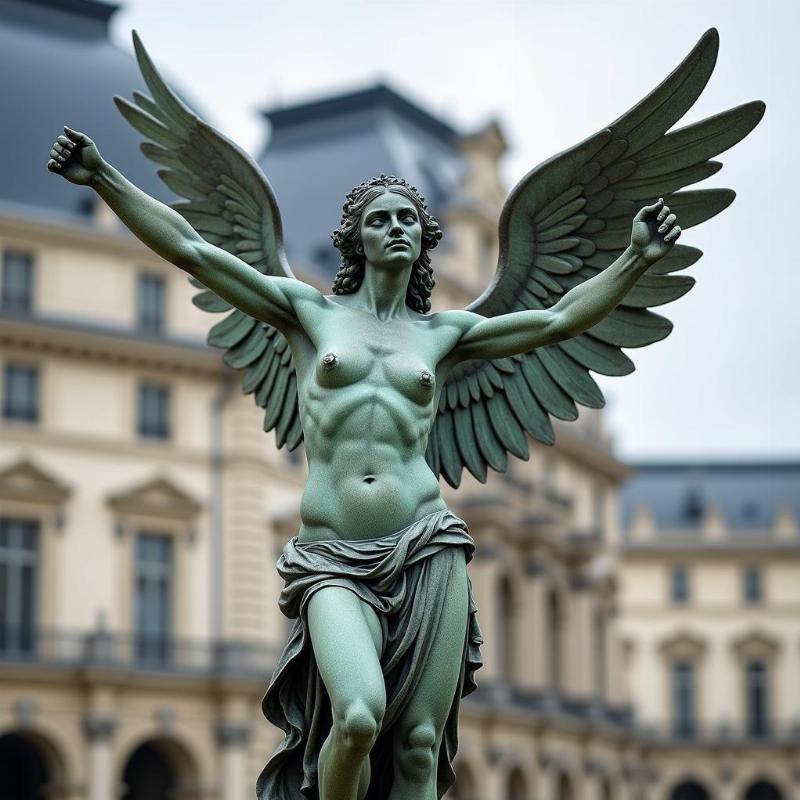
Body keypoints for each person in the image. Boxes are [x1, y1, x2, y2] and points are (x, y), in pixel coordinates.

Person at [47, 131, 680, 800]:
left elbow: (557, 319)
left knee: (418, 748)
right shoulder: (308, 313)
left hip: (428, 545)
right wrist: (102, 177)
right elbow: (193, 250)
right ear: (357, 239)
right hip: (333, 554)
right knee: (355, 717)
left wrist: (634, 259)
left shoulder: (446, 336)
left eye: (408, 217)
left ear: (425, 235)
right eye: (380, 219)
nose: (396, 227)